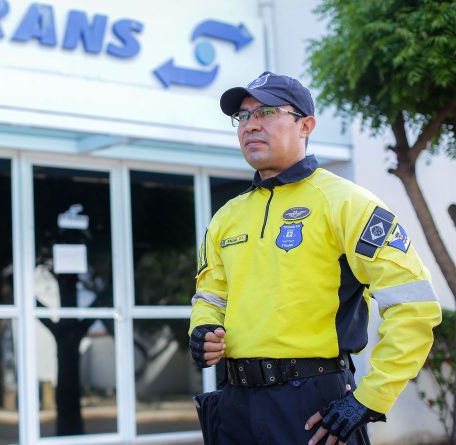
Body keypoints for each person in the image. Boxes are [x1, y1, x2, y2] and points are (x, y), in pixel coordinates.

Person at [188, 71, 442, 444]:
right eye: (243, 116)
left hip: (311, 407)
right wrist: (203, 330)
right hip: (234, 406)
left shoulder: (348, 203)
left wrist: (369, 399)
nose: (250, 126)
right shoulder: (226, 216)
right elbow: (211, 296)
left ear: (305, 125)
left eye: (266, 112)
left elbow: (414, 305)